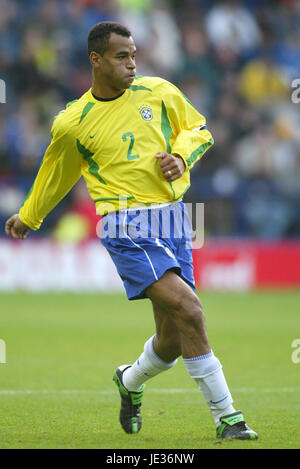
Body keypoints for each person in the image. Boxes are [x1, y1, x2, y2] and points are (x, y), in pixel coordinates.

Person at [5, 22, 257, 441]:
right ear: (96, 60)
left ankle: (130, 380)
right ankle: (228, 418)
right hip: (125, 223)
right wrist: (29, 217)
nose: (132, 64)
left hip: (175, 217)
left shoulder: (158, 91)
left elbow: (199, 129)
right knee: (191, 310)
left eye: (134, 55)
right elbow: (56, 174)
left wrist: (181, 155)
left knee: (173, 338)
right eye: (123, 56)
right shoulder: (73, 122)